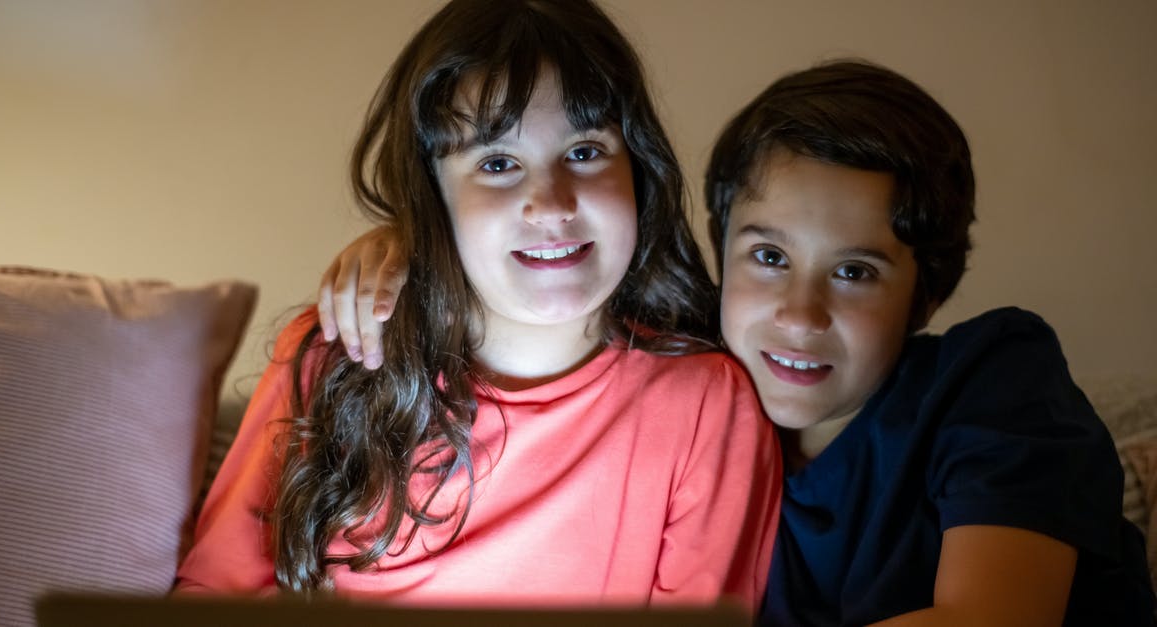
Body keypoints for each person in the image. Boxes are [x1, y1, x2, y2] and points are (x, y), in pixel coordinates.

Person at [321, 60, 1155, 625]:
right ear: (719, 253)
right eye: (767, 256)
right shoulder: (697, 413)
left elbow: (990, 620)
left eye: (856, 272)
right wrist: (407, 246)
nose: (799, 312)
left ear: (926, 289)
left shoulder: (991, 379)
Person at [175, 0, 782, 611]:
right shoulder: (336, 352)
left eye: (584, 152)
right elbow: (215, 595)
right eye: (498, 164)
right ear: (431, 197)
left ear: (638, 168)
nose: (552, 204)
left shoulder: (706, 406)